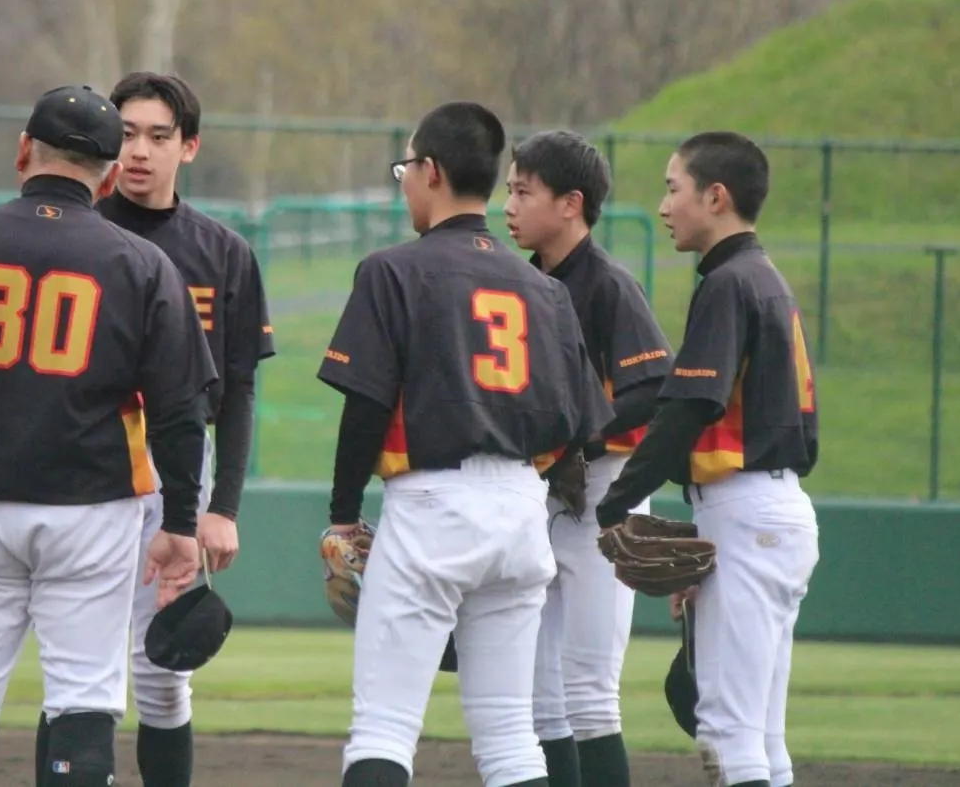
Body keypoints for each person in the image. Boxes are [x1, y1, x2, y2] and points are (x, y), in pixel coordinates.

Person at [0, 84, 218, 787]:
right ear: (108, 177)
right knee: (84, 698)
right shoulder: (143, 264)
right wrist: (180, 521)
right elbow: (181, 410)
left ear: (23, 151)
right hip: (93, 507)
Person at [318, 102, 613, 787]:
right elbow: (580, 427)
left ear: (432, 171)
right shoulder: (545, 289)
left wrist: (342, 515)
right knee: (511, 739)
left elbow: (365, 407)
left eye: (406, 169)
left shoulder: (392, 271)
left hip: (432, 507)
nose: (404, 183)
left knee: (383, 729)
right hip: (522, 511)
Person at [59, 71, 275, 787]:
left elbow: (238, 390)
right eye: (126, 134)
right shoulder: (76, 233)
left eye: (159, 136)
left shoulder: (224, 252)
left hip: (177, 462)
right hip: (86, 453)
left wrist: (223, 508)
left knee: (162, 668)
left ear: (190, 146)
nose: (140, 151)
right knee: (81, 664)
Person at [596, 132, 821, 787]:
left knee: (727, 731)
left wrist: (615, 502)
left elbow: (690, 407)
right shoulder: (766, 279)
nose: (664, 206)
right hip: (775, 511)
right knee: (761, 734)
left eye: (674, 189)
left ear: (716, 196)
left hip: (747, 512)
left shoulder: (728, 283)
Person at [503, 130, 676, 787]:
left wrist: (583, 445)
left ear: (571, 203)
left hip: (600, 494)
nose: (509, 206)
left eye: (524, 192)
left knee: (591, 693)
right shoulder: (521, 283)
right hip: (541, 492)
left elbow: (652, 389)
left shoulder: (607, 285)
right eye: (509, 190)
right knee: (539, 698)